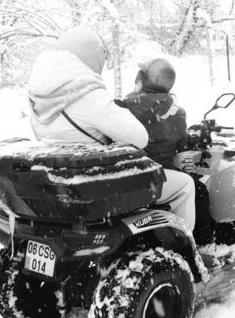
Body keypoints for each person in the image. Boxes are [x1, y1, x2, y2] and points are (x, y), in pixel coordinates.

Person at [27, 27, 196, 231]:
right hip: (96, 183)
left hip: (59, 182)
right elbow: (139, 137)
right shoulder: (90, 96)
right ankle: (186, 245)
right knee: (186, 183)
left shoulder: (36, 98)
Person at [118, 58, 210, 243]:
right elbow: (181, 145)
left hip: (128, 173)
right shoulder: (175, 112)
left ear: (143, 80)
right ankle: (199, 242)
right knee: (199, 189)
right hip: (158, 172)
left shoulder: (122, 107)